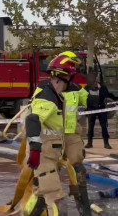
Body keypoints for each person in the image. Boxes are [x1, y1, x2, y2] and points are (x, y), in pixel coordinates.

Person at [23, 52, 92, 215]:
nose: (72, 84)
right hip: (42, 153)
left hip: (54, 148)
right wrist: (34, 149)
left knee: (43, 194)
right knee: (57, 202)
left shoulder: (58, 93)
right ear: (63, 78)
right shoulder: (47, 97)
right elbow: (32, 120)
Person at [85, 81, 115, 149]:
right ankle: (89, 143)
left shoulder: (103, 87)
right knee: (90, 127)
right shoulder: (87, 87)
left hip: (101, 108)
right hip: (91, 109)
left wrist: (100, 88)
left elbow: (106, 96)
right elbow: (85, 97)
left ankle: (106, 143)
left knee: (104, 126)